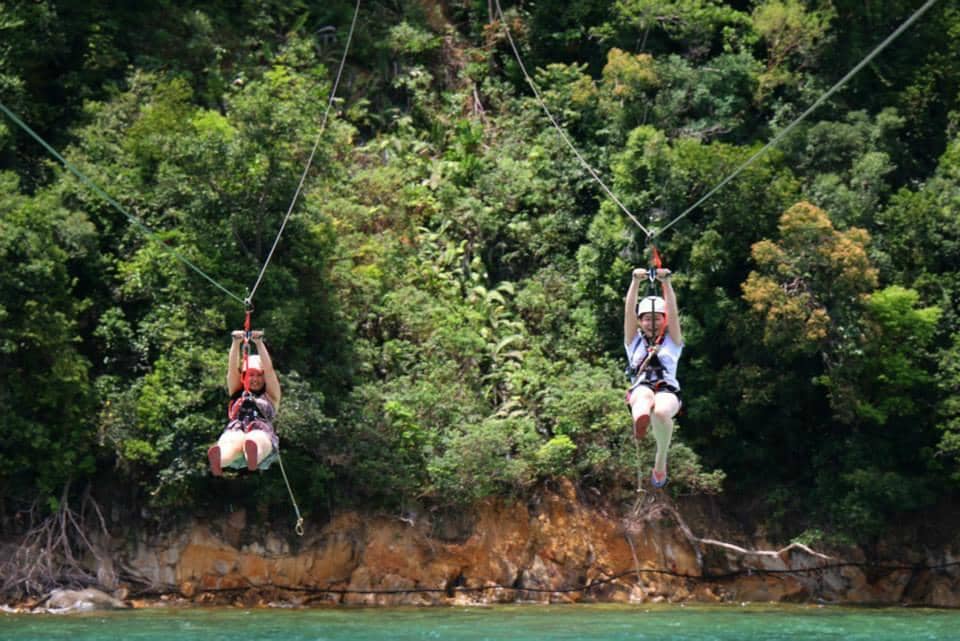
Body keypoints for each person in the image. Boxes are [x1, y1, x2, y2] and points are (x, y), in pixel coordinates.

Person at [624, 267, 683, 488]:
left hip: (668, 388)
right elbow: (628, 313)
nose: (652, 323)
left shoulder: (672, 341)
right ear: (640, 322)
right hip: (642, 385)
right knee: (643, 399)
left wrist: (666, 283)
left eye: (657, 318)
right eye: (647, 319)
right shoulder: (633, 341)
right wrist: (635, 282)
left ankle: (660, 460)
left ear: (664, 321)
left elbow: (674, 314)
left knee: (660, 410)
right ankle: (640, 421)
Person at [207, 329, 282, 476]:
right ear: (244, 376)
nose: (255, 379)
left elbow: (269, 370)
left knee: (255, 438)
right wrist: (235, 344)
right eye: (250, 375)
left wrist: (259, 343)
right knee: (232, 440)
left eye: (259, 375)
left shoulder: (271, 396)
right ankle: (220, 459)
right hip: (237, 430)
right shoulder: (236, 392)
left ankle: (253, 454)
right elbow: (232, 370)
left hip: (262, 438)